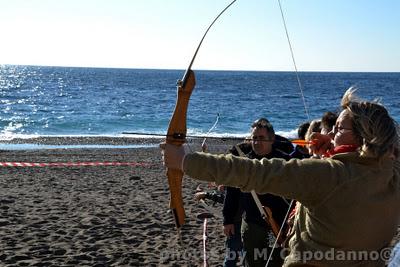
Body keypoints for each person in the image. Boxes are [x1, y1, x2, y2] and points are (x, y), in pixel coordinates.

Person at [162, 87, 400, 267]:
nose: (330, 133)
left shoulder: (327, 175)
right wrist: (337, 149)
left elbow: (255, 172)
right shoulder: (390, 174)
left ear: (364, 137)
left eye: (338, 128)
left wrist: (184, 161)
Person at [223, 118, 291, 267]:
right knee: (252, 262)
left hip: (279, 223)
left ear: (271, 139)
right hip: (252, 223)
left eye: (261, 138)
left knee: (277, 262)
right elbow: (232, 191)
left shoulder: (284, 160)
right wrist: (228, 220)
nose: (257, 142)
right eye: (254, 138)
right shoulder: (245, 162)